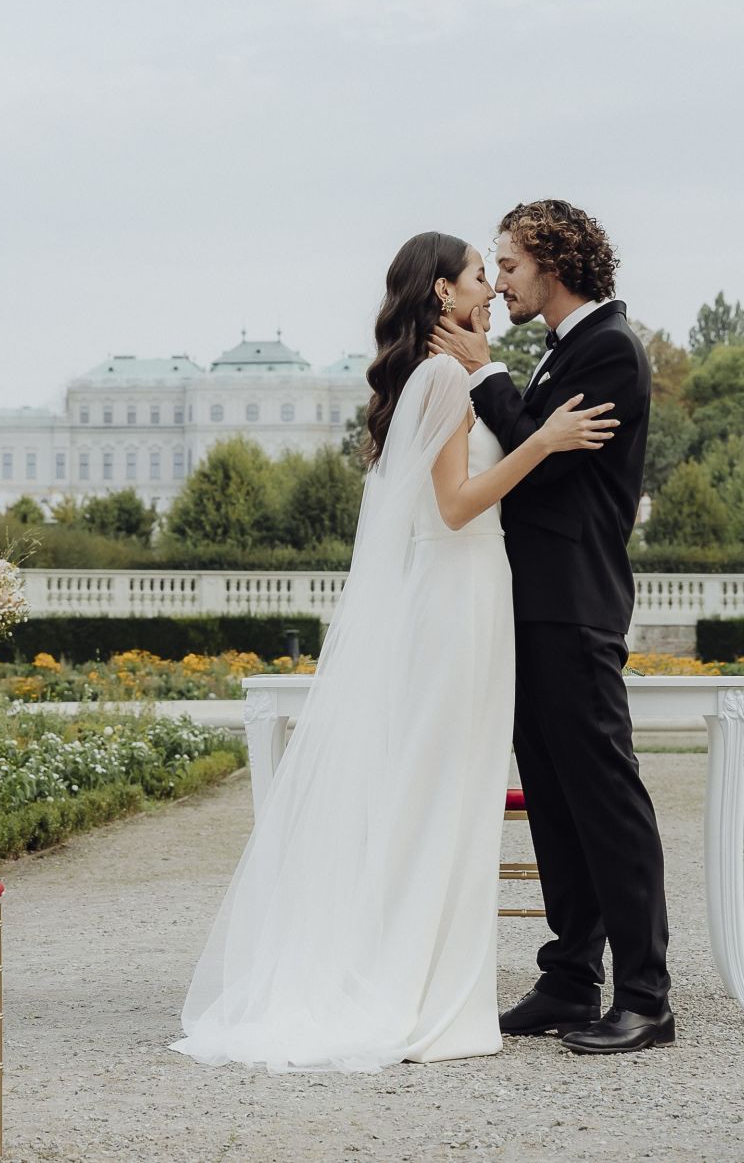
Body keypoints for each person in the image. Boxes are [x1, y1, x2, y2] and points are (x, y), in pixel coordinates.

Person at [173, 230, 619, 1072]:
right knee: (447, 791)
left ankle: (415, 971)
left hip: (465, 595)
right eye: (480, 277)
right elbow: (454, 506)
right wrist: (543, 441)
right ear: (444, 294)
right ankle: (416, 985)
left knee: (444, 787)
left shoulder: (433, 372)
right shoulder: (447, 376)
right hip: (462, 594)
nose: (491, 287)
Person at [429, 198, 674, 1054]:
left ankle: (646, 994)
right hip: (533, 606)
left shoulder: (608, 347)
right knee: (557, 803)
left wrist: (488, 374)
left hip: (574, 603)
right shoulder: (567, 350)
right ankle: (571, 977)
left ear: (553, 261)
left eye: (508, 264)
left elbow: (543, 471)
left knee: (605, 798)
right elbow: (535, 445)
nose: (498, 281)